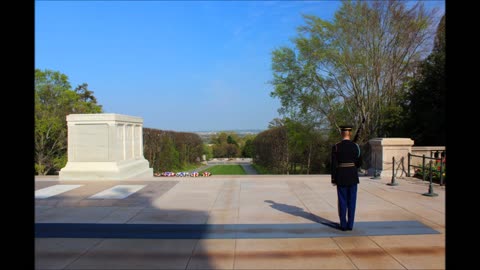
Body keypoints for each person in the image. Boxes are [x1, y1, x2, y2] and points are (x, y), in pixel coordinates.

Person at [331, 125, 361, 231]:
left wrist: (333, 179)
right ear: (350, 134)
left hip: (341, 176)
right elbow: (359, 163)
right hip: (352, 176)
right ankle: (350, 225)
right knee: (352, 201)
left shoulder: (336, 146)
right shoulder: (355, 146)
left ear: (341, 134)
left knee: (342, 201)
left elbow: (334, 164)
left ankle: (343, 225)